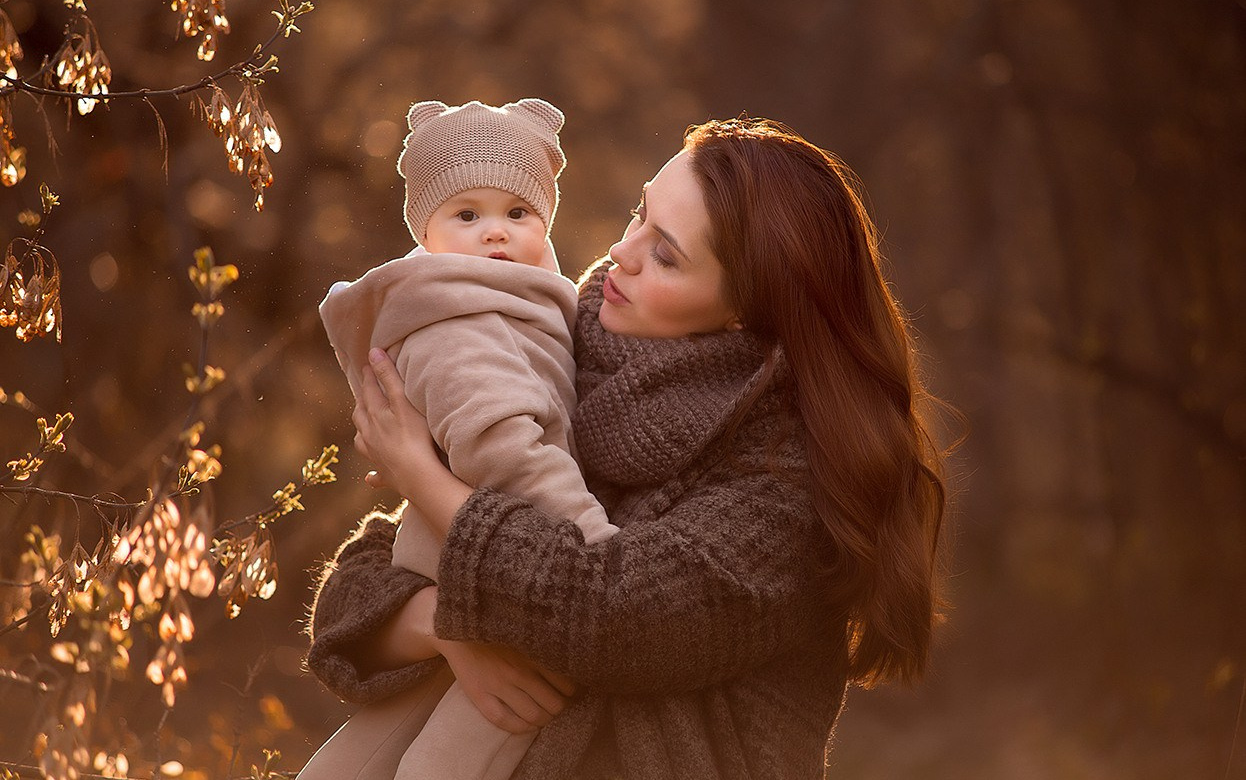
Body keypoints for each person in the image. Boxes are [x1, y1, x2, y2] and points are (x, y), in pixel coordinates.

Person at [305, 116, 950, 779]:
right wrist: (447, 626)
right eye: (638, 214)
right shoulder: (556, 358)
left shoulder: (787, 480)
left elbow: (615, 615)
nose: (622, 251)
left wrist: (421, 473)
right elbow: (357, 589)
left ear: (743, 310)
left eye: (666, 255)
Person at [305, 98, 617, 780]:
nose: (495, 234)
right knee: (458, 753)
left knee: (357, 760)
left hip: (450, 557)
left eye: (518, 213)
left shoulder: (511, 304)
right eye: (466, 215)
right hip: (497, 568)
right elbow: (501, 448)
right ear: (424, 229)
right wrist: (596, 545)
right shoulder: (458, 322)